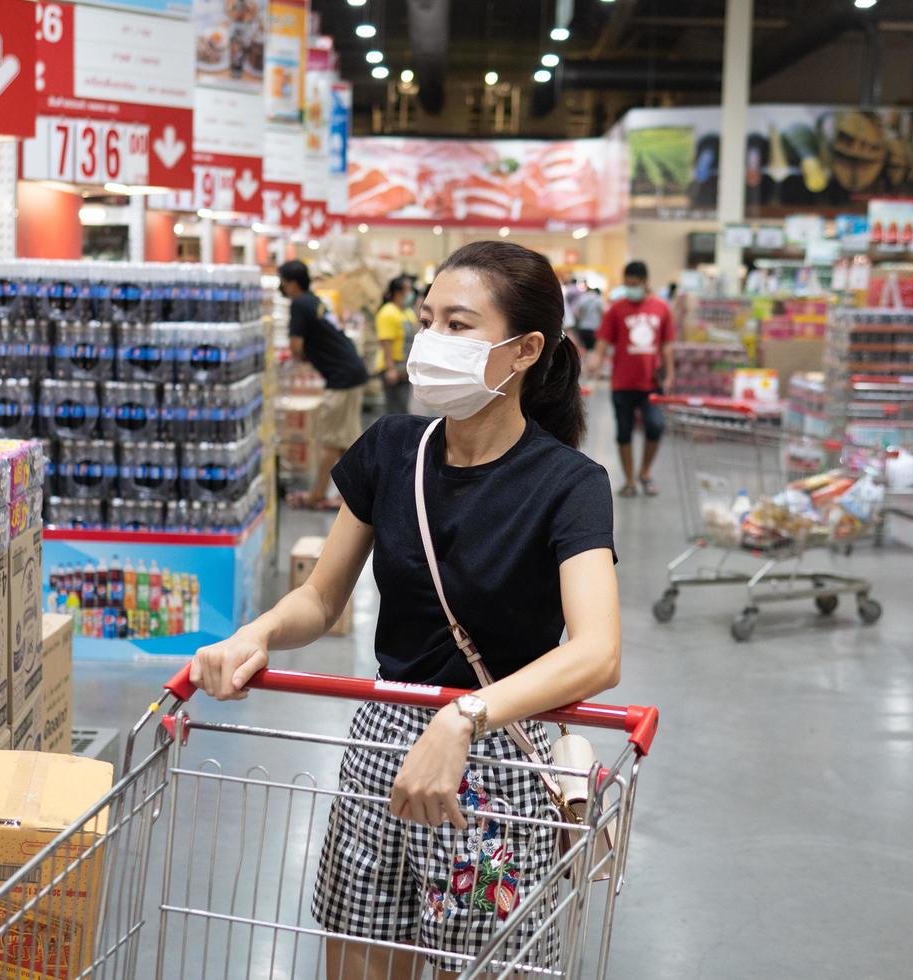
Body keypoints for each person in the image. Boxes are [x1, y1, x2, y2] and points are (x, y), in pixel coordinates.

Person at [193, 241, 621, 979]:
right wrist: (255, 633)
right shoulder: (392, 450)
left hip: (494, 748)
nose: (431, 343)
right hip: (382, 744)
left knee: (485, 962)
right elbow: (320, 598)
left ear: (523, 350)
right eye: (427, 320)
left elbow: (596, 653)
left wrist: (462, 717)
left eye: (459, 325)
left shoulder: (568, 485)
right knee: (358, 960)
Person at [278, 260, 369, 510]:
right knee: (345, 440)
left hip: (341, 378)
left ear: (292, 283)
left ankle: (316, 495)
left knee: (330, 440)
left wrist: (301, 358)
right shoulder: (315, 300)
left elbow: (296, 347)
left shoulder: (298, 304)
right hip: (352, 371)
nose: (281, 288)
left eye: (283, 282)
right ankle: (355, 495)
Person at [588, 260, 675, 498]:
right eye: (627, 284)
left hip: (651, 383)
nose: (630, 288)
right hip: (622, 383)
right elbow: (604, 341)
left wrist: (670, 375)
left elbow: (667, 346)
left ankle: (645, 472)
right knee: (623, 432)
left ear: (645, 282)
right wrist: (595, 359)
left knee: (655, 426)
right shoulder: (616, 309)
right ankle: (628, 480)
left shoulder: (661, 308)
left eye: (634, 284)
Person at [375, 275, 416, 414]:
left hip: (404, 367)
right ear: (398, 292)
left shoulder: (407, 311)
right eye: (408, 289)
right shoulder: (388, 312)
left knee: (403, 408)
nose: (411, 293)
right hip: (393, 365)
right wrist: (390, 369)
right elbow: (386, 342)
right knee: (395, 410)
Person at [572, 285, 605, 351]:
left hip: (582, 327)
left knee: (584, 349)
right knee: (592, 350)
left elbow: (576, 313)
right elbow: (603, 313)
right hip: (594, 328)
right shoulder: (599, 300)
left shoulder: (582, 298)